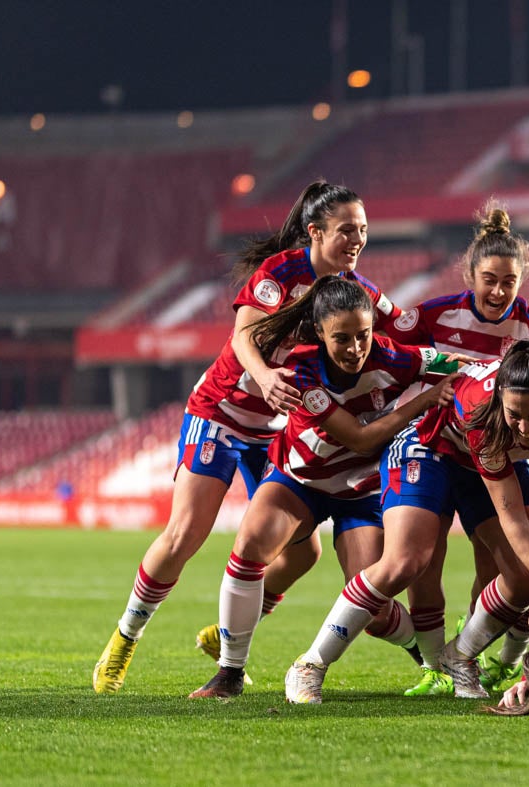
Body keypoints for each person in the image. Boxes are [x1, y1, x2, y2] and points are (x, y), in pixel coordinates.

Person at [92, 181, 399, 694]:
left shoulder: (356, 290)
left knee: (303, 554)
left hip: (274, 430)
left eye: (364, 231)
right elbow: (243, 336)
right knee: (186, 532)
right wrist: (265, 377)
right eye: (347, 230)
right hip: (221, 412)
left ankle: (231, 631)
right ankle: (125, 638)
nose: (357, 240)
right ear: (315, 232)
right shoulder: (280, 273)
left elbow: (406, 325)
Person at [282, 340, 529, 703]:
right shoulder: (483, 413)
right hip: (429, 447)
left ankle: (459, 658)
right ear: (500, 401)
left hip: (495, 463)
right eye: (515, 415)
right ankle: (310, 663)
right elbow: (513, 520)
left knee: (525, 575)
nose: (525, 428)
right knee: (406, 561)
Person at [187, 276, 462, 698]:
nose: (355, 348)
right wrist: (424, 401)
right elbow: (359, 438)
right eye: (342, 338)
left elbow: (452, 364)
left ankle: (425, 655)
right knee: (250, 545)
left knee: (371, 604)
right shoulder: (301, 368)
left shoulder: (394, 356)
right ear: (319, 333)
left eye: (364, 336)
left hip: (362, 491)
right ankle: (230, 673)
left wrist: (481, 372)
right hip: (301, 480)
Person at [385, 201, 529, 697]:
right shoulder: (434, 314)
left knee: (501, 564)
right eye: (489, 279)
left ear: (522, 280)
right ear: (470, 274)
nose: (498, 291)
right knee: (422, 563)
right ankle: (437, 666)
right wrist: (432, 371)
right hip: (439, 447)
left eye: (509, 281)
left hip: (499, 455)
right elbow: (384, 349)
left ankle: (472, 658)